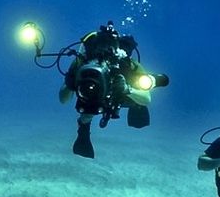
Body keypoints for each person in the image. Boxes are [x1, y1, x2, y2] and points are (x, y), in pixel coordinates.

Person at [58, 21, 152, 158]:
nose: (103, 52)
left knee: (138, 101)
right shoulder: (81, 64)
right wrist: (70, 84)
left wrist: (127, 89)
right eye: (99, 47)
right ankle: (83, 129)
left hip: (121, 95)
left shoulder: (127, 65)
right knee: (86, 115)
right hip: (94, 98)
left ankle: (135, 108)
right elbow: (63, 99)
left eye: (108, 47)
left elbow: (146, 99)